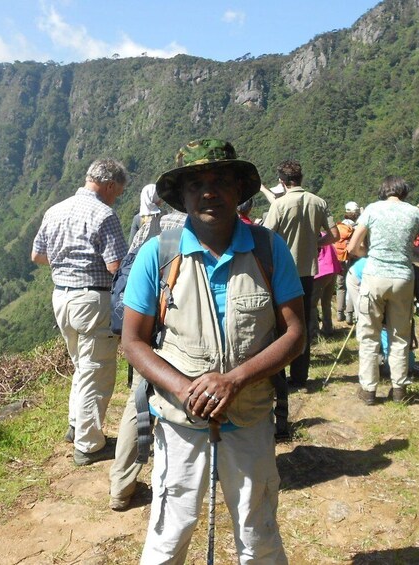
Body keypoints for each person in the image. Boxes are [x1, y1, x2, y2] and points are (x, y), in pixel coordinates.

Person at [122, 139, 304, 564]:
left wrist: (235, 379)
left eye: (221, 181)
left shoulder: (268, 249)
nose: (209, 191)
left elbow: (295, 334)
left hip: (251, 415)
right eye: (196, 184)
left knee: (257, 533)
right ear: (182, 197)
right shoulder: (159, 254)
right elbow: (133, 341)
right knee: (170, 533)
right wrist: (186, 390)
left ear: (239, 190)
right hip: (179, 421)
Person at [31, 158, 128, 465]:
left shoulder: (55, 209)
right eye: (119, 191)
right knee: (96, 370)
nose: (117, 197)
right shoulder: (104, 214)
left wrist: (67, 265)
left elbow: (37, 255)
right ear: (110, 185)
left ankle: (77, 426)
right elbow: (116, 266)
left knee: (81, 364)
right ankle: (89, 445)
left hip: (61, 296)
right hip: (92, 299)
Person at [109, 209, 187, 511]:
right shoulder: (207, 230)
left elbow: (127, 274)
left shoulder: (151, 226)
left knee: (137, 403)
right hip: (179, 334)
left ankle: (121, 486)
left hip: (145, 329)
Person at [347, 176, 419, 404]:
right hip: (403, 279)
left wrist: (370, 252)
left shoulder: (372, 210)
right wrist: (409, 253)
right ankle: (399, 390)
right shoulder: (416, 213)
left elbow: (352, 247)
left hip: (374, 276)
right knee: (399, 336)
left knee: (369, 336)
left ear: (384, 191)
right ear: (404, 192)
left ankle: (368, 391)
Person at [263, 160, 339, 387]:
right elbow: (334, 235)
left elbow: (266, 236)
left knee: (278, 325)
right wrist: (317, 244)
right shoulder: (318, 202)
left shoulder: (279, 204)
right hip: (308, 273)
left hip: (281, 273)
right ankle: (300, 376)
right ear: (301, 179)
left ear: (282, 182)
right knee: (302, 324)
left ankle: (277, 373)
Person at [310, 236, 342, 338]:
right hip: (333, 269)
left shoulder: (315, 237)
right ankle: (328, 328)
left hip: (323, 270)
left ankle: (314, 331)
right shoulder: (326, 236)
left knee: (311, 303)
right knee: (326, 302)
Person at [334, 201, 360, 324]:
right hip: (352, 258)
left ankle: (339, 313)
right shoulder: (356, 227)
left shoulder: (340, 226)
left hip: (339, 258)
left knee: (340, 285)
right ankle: (350, 314)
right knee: (351, 285)